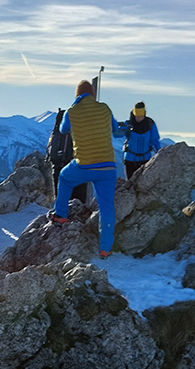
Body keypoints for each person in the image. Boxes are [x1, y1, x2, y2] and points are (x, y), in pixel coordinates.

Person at [48, 80, 122, 258]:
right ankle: (105, 248)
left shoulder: (72, 111)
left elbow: (63, 129)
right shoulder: (104, 108)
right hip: (107, 166)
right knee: (106, 206)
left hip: (84, 164)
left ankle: (61, 214)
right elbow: (115, 129)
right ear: (93, 94)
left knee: (64, 178)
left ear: (77, 95)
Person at [122, 102, 160, 179]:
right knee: (131, 183)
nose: (139, 118)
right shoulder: (128, 125)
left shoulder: (150, 124)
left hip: (146, 160)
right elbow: (117, 133)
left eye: (141, 116)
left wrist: (159, 153)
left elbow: (155, 141)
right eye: (137, 116)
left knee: (145, 183)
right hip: (130, 160)